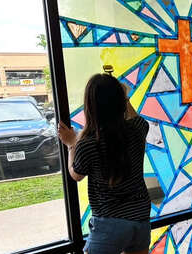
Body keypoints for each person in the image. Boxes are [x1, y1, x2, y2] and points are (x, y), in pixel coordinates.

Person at [57, 73, 150, 254]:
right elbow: (134, 117)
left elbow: (76, 174)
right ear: (121, 102)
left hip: (109, 224)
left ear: (91, 107)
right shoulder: (137, 129)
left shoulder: (88, 144)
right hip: (140, 219)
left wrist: (71, 145)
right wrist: (124, 96)